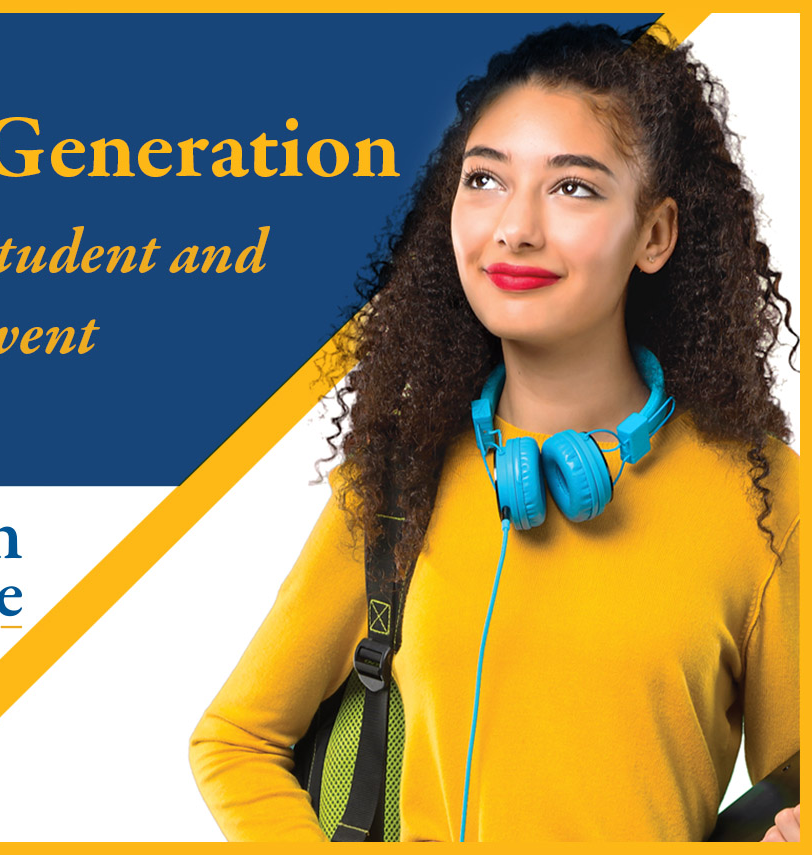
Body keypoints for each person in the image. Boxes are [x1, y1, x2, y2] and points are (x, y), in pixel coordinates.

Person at [188, 22, 799, 842]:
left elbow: (794, 791)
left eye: (573, 187)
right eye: (484, 179)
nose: (514, 227)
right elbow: (236, 740)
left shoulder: (766, 498)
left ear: (654, 234)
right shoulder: (399, 479)